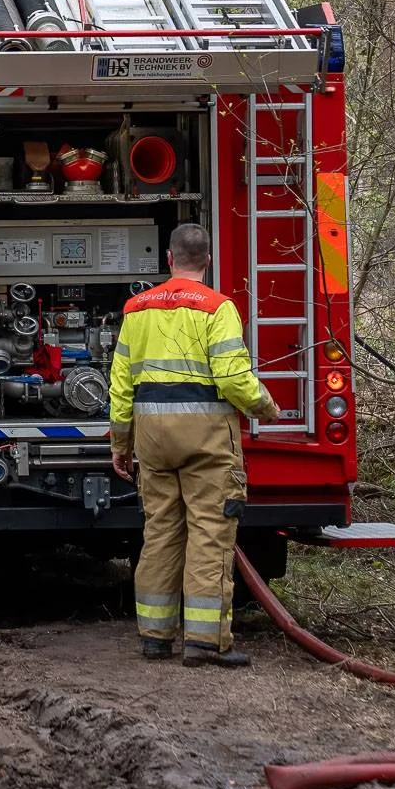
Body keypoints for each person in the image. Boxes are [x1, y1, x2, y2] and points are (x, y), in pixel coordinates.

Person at [109, 222, 276, 668]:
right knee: (209, 533)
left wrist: (121, 443)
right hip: (204, 439)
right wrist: (265, 407)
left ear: (168, 259)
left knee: (160, 532)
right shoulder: (218, 308)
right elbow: (233, 377)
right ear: (208, 260)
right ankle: (205, 643)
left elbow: (121, 383)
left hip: (151, 439)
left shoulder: (135, 309)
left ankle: (155, 637)